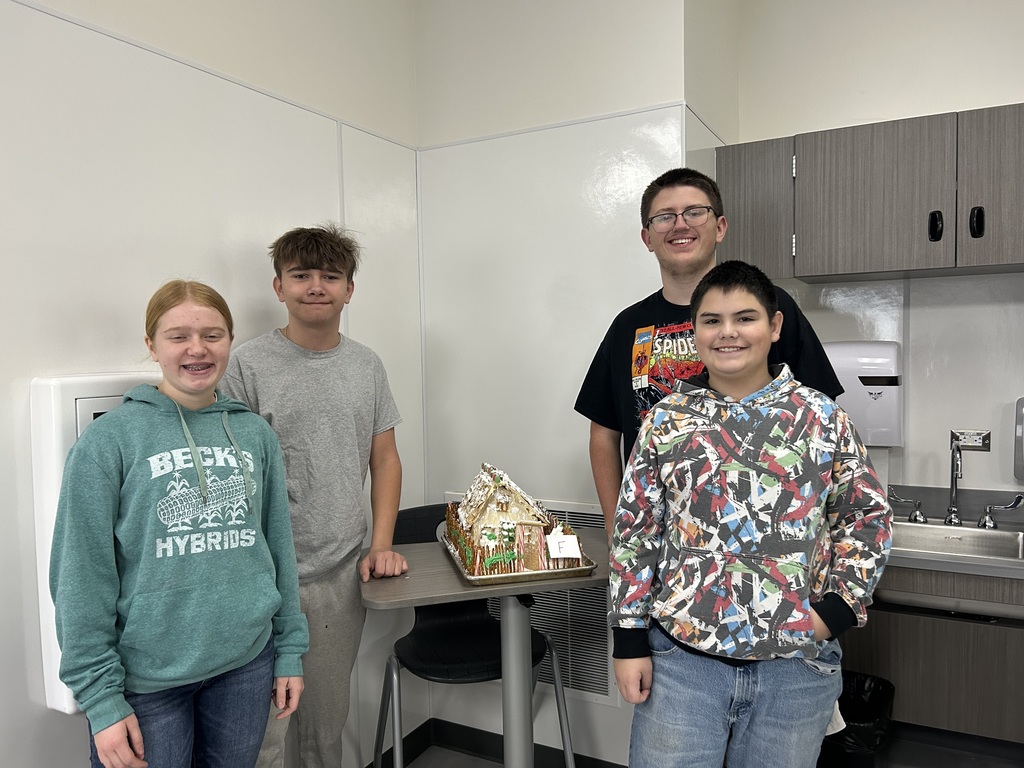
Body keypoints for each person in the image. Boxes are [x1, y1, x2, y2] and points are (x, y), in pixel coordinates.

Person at [608, 260, 891, 768]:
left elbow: (866, 519)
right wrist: (628, 638)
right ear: (694, 333)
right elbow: (636, 531)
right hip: (683, 665)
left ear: (775, 326)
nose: (728, 333)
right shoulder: (666, 422)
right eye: (712, 321)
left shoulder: (821, 418)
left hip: (795, 669)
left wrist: (839, 611)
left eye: (746, 317)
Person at [50, 280, 309, 768]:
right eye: (178, 336)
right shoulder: (109, 442)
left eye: (213, 335)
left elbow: (278, 549)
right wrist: (100, 700)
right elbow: (79, 577)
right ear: (151, 345)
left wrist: (290, 649)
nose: (197, 349)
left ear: (230, 341)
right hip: (145, 681)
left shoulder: (254, 434)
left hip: (246, 665)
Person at [220, 223, 407, 768]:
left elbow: (385, 458)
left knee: (325, 724)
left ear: (350, 289)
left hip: (339, 574)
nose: (316, 287)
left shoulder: (366, 365)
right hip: (261, 576)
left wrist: (381, 544)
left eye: (331, 276)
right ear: (278, 287)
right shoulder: (245, 366)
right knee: (264, 735)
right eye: (301, 275)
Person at [575, 167, 844, 533]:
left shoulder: (768, 308)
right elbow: (604, 433)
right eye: (665, 217)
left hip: (767, 535)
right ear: (647, 237)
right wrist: (615, 526)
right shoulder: (627, 326)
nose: (680, 225)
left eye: (694, 212)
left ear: (719, 227)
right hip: (662, 541)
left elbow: (822, 421)